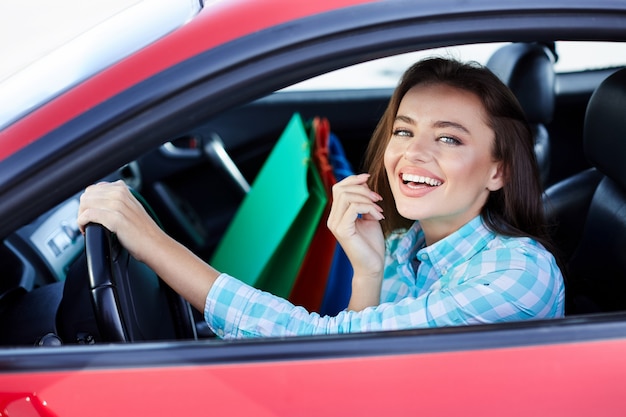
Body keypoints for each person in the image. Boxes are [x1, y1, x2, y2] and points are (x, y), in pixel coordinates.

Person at [77, 57, 565, 338]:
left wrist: (152, 244)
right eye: (403, 130)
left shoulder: (518, 277)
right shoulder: (406, 245)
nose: (412, 154)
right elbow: (353, 368)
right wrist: (368, 270)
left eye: (449, 139)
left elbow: (322, 343)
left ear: (498, 171)